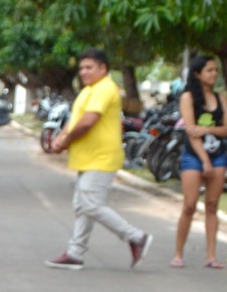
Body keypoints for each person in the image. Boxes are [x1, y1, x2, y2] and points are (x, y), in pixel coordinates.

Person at [46, 48, 152, 270]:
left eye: (89, 67)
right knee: (82, 205)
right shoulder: (88, 90)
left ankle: (136, 237)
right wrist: (60, 138)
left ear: (103, 68)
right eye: (82, 68)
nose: (84, 72)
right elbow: (76, 120)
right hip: (88, 157)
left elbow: (87, 122)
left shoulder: (105, 88)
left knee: (90, 204)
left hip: (102, 157)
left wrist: (64, 142)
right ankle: (75, 253)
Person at [171, 55, 227, 269]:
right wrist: (205, 161)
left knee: (212, 205)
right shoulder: (188, 97)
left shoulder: (221, 97)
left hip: (218, 155)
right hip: (193, 155)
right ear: (198, 74)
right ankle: (178, 253)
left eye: (216, 70)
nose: (214, 74)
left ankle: (211, 256)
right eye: (209, 70)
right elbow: (190, 131)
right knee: (189, 205)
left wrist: (207, 129)